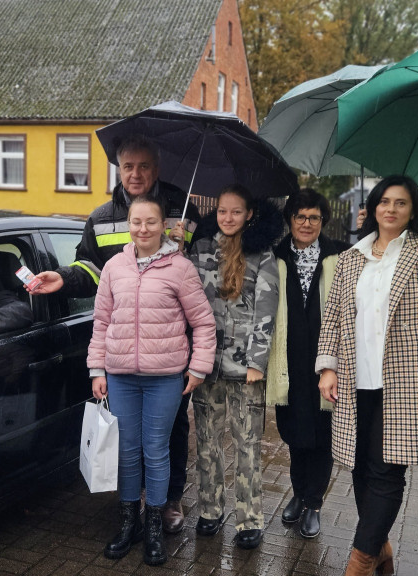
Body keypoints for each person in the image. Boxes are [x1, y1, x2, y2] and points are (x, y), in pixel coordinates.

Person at [30, 134, 200, 533]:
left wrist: (184, 251)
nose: (135, 174)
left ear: (156, 168)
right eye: (128, 167)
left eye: (144, 166)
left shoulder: (184, 210)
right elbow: (90, 270)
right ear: (119, 169)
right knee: (129, 434)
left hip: (168, 343)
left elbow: (203, 270)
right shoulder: (101, 217)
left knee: (172, 428)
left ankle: (169, 498)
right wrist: (64, 278)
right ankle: (134, 499)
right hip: (123, 347)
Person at [316, 175, 418, 575]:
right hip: (355, 378)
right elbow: (333, 316)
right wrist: (327, 366)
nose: (391, 209)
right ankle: (380, 546)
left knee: (387, 469)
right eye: (384, 201)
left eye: (401, 203)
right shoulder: (351, 257)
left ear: (413, 210)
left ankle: (360, 561)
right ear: (372, 207)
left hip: (407, 382)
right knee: (359, 465)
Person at [88, 195, 216, 565]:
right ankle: (130, 523)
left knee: (156, 450)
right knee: (128, 451)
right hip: (121, 376)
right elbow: (102, 321)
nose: (143, 229)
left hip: (164, 378)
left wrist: (198, 367)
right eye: (136, 222)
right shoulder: (114, 267)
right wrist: (97, 369)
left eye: (150, 222)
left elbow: (203, 323)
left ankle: (154, 527)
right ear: (129, 225)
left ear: (163, 226)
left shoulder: (181, 268)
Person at [189, 184, 282, 550]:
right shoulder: (200, 249)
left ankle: (249, 519)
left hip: (245, 368)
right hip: (206, 362)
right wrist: (176, 246)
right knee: (207, 441)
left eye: (236, 211)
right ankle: (210, 510)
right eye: (222, 211)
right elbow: (186, 297)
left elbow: (266, 311)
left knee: (247, 444)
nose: (228, 218)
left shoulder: (262, 253)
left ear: (249, 214)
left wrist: (257, 362)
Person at [265, 188, 349, 539]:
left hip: (327, 362)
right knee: (295, 434)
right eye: (300, 216)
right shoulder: (275, 256)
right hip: (288, 360)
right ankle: (299, 493)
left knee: (323, 435)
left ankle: (313, 503)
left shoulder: (340, 255)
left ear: (323, 220)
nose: (307, 223)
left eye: (314, 217)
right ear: (290, 219)